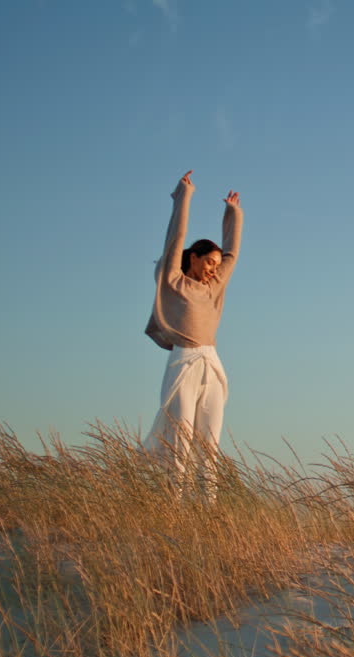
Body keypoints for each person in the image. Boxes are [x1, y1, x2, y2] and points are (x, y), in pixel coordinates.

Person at [142, 170, 243, 498]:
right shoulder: (174, 280)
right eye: (208, 261)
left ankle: (207, 505)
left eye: (216, 263)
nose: (214, 268)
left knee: (209, 440)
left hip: (211, 363)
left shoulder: (214, 287)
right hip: (183, 360)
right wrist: (183, 196)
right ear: (194, 258)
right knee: (180, 437)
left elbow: (232, 254)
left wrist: (233, 214)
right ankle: (173, 503)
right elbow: (175, 239)